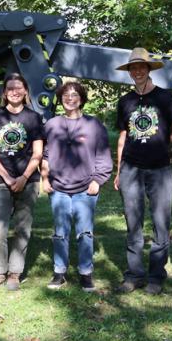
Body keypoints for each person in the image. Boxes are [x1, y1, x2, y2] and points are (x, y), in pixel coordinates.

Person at [114, 48, 172, 295]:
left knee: (160, 223)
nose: (137, 71)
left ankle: (156, 276)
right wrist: (118, 170)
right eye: (133, 68)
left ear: (149, 69)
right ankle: (134, 275)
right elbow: (123, 136)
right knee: (133, 224)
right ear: (130, 72)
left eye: (141, 67)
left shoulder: (164, 98)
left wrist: (163, 141)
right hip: (131, 169)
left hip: (159, 169)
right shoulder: (125, 101)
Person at [41, 81, 112, 292]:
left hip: (85, 188)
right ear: (60, 98)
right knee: (60, 232)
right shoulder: (52, 125)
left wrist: (97, 180)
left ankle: (85, 273)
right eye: (65, 95)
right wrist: (45, 179)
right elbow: (44, 155)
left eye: (74, 95)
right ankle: (59, 272)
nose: (69, 98)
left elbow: (103, 156)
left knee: (85, 232)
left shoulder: (94, 125)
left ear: (81, 98)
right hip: (59, 187)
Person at [0, 73, 44, 291]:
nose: (14, 91)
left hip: (27, 181)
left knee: (22, 228)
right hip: (0, 180)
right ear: (4, 93)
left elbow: (37, 153)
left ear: (26, 91)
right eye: (10, 88)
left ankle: (14, 273)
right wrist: (8, 178)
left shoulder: (34, 118)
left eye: (19, 87)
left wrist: (23, 177)